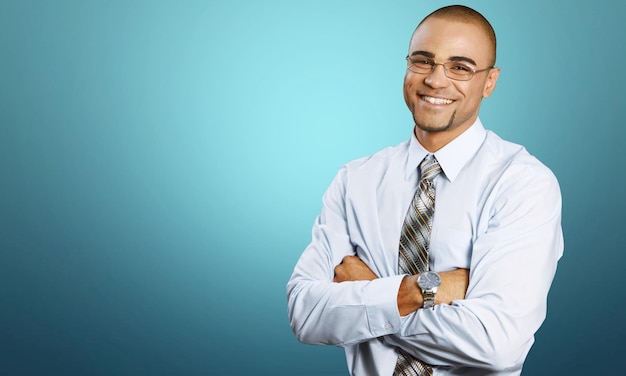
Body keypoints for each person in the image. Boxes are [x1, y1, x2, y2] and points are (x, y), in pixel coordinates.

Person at [287, 4, 563, 376]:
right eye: (423, 61)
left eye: (460, 67)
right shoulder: (355, 180)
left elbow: (497, 345)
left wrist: (370, 296)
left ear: (490, 81)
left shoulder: (522, 184)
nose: (435, 80)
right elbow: (306, 314)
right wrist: (417, 290)